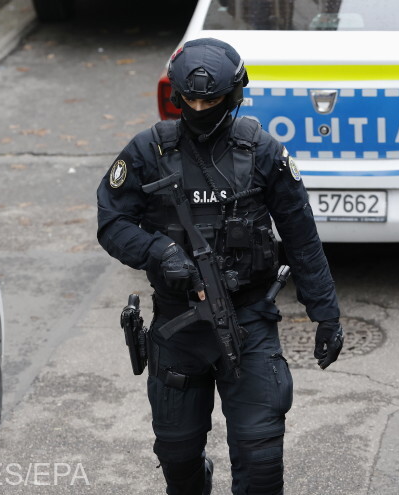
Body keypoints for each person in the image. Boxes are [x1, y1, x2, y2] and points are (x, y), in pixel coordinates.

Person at [96, 38, 343, 495]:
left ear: (233, 96)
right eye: (190, 100)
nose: (199, 108)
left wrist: (326, 314)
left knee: (261, 459)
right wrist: (159, 252)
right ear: (177, 96)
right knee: (178, 459)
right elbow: (112, 222)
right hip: (178, 325)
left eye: (209, 101)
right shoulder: (149, 151)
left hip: (248, 320)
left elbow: (301, 237)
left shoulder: (262, 151)